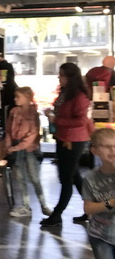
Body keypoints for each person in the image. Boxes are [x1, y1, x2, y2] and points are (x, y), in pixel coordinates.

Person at [41, 62, 92, 228]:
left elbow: (80, 120)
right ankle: (92, 209)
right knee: (74, 175)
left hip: (73, 140)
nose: (58, 77)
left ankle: (57, 214)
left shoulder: (79, 96)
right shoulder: (67, 93)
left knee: (66, 178)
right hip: (64, 138)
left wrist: (57, 120)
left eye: (61, 75)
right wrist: (52, 113)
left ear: (70, 77)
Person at [81, 127, 115, 259]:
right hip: (101, 235)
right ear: (95, 151)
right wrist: (111, 204)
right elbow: (88, 209)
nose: (113, 150)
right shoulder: (91, 179)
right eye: (108, 146)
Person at [5, 86, 49, 218]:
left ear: (27, 97)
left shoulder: (33, 113)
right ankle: (25, 206)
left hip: (29, 149)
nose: (15, 99)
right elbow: (8, 130)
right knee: (19, 177)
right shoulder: (13, 111)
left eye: (18, 96)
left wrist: (16, 147)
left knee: (34, 177)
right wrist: (9, 145)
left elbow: (33, 134)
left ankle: (43, 205)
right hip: (16, 147)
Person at [0, 50, 18, 129]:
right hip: (7, 92)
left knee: (2, 113)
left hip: (3, 93)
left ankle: (2, 128)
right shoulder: (8, 65)